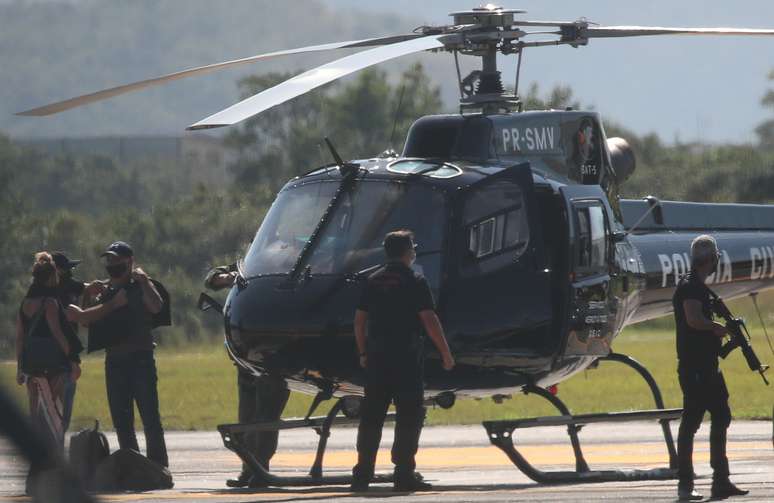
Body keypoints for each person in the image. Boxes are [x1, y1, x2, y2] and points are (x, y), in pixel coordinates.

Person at [351, 229, 455, 492]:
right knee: (409, 416)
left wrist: (363, 352)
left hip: (376, 359)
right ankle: (403, 472)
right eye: (413, 248)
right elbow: (429, 320)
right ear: (408, 252)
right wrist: (445, 353)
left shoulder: (372, 280)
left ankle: (363, 473)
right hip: (406, 359)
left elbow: (360, 321)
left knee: (372, 416)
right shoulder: (415, 281)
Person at [15, 252, 122, 492]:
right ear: (51, 276)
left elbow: (20, 338)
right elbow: (59, 334)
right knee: (56, 422)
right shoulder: (50, 303)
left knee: (37, 421)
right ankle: (53, 477)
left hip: (32, 370)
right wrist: (73, 360)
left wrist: (20, 368)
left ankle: (33, 479)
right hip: (54, 369)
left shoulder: (25, 303)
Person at [67, 241, 169, 468]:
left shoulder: (140, 285)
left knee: (150, 416)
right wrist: (89, 294)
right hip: (115, 361)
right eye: (109, 260)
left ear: (129, 261)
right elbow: (87, 320)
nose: (112, 264)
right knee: (122, 420)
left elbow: (156, 306)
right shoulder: (108, 290)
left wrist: (144, 282)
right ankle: (130, 465)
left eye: (116, 260)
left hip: (140, 359)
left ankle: (158, 464)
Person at [672, 235, 748, 501]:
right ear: (711, 258)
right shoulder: (691, 287)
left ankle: (721, 481)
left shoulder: (698, 287)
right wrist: (715, 327)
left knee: (721, 415)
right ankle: (685, 485)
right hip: (695, 368)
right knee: (691, 422)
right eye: (716, 257)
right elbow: (693, 319)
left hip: (707, 366)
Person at [204, 264, 290, 488]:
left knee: (266, 418)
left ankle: (260, 470)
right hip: (247, 360)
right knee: (246, 418)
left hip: (274, 358)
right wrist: (228, 277)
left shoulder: (289, 268)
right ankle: (248, 469)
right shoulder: (249, 265)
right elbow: (211, 279)